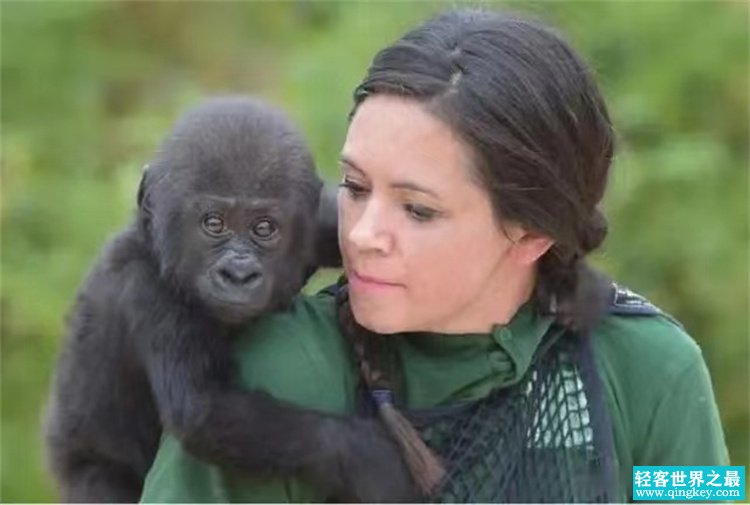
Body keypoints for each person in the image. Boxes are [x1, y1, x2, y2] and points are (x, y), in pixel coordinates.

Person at [140, 8, 728, 503]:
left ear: (530, 233)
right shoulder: (272, 374)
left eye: (417, 210)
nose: (365, 233)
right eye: (355, 186)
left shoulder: (655, 371)